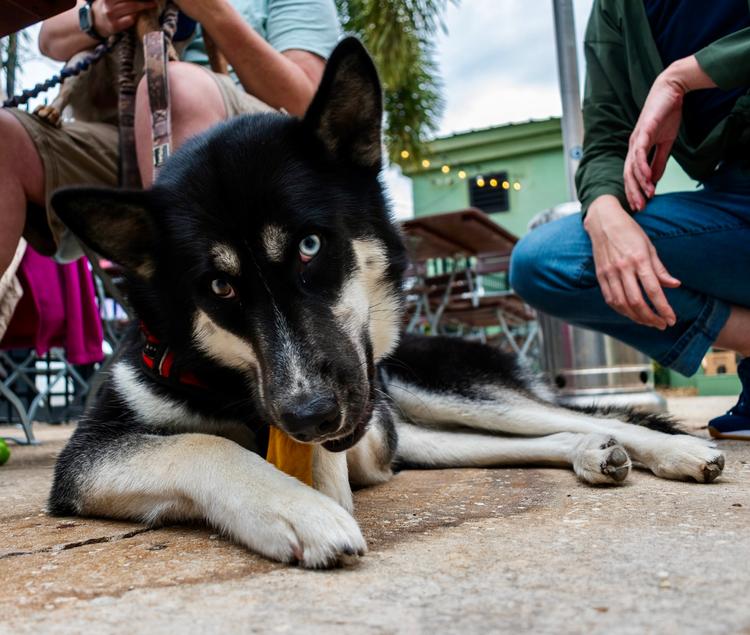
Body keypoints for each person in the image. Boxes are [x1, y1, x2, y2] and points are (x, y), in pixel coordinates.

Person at [509, 0, 750, 439]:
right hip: (732, 203)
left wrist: (682, 77)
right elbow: (604, 139)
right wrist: (605, 213)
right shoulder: (616, 10)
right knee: (546, 260)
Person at [0, 0, 339, 269]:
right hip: (124, 143)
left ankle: (188, 330)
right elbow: (49, 37)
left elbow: (305, 103)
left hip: (249, 150)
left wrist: (212, 10)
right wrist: (99, 16)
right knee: (4, 137)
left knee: (176, 88)